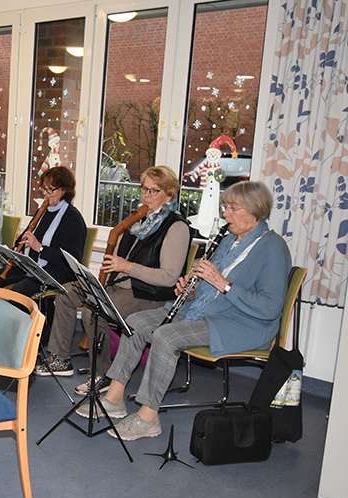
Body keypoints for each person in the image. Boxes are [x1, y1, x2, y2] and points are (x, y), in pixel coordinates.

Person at [80, 181, 291, 441]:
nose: (226, 214)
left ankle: (148, 417)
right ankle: (114, 397)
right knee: (136, 323)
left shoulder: (273, 247)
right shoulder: (228, 241)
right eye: (226, 207)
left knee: (167, 337)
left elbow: (270, 308)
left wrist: (223, 284)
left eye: (233, 209)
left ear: (254, 210)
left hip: (242, 324)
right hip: (204, 310)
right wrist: (191, 290)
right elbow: (207, 286)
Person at [40, 166, 191, 395]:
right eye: (144, 189)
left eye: (154, 191)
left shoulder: (176, 227)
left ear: (169, 194)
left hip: (149, 295)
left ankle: (102, 375)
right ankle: (61, 359)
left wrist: (127, 267)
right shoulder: (139, 220)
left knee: (94, 311)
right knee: (66, 292)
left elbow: (169, 277)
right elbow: (119, 259)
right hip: (120, 286)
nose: (146, 195)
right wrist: (104, 276)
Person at [0, 166, 86, 331]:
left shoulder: (73, 219)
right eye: (43, 188)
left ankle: (9, 338)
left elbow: (71, 260)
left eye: (50, 189)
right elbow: (26, 236)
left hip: (52, 274)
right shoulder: (44, 211)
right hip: (29, 266)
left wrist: (40, 248)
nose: (45, 193)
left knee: (18, 292)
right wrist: (16, 247)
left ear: (64, 190)